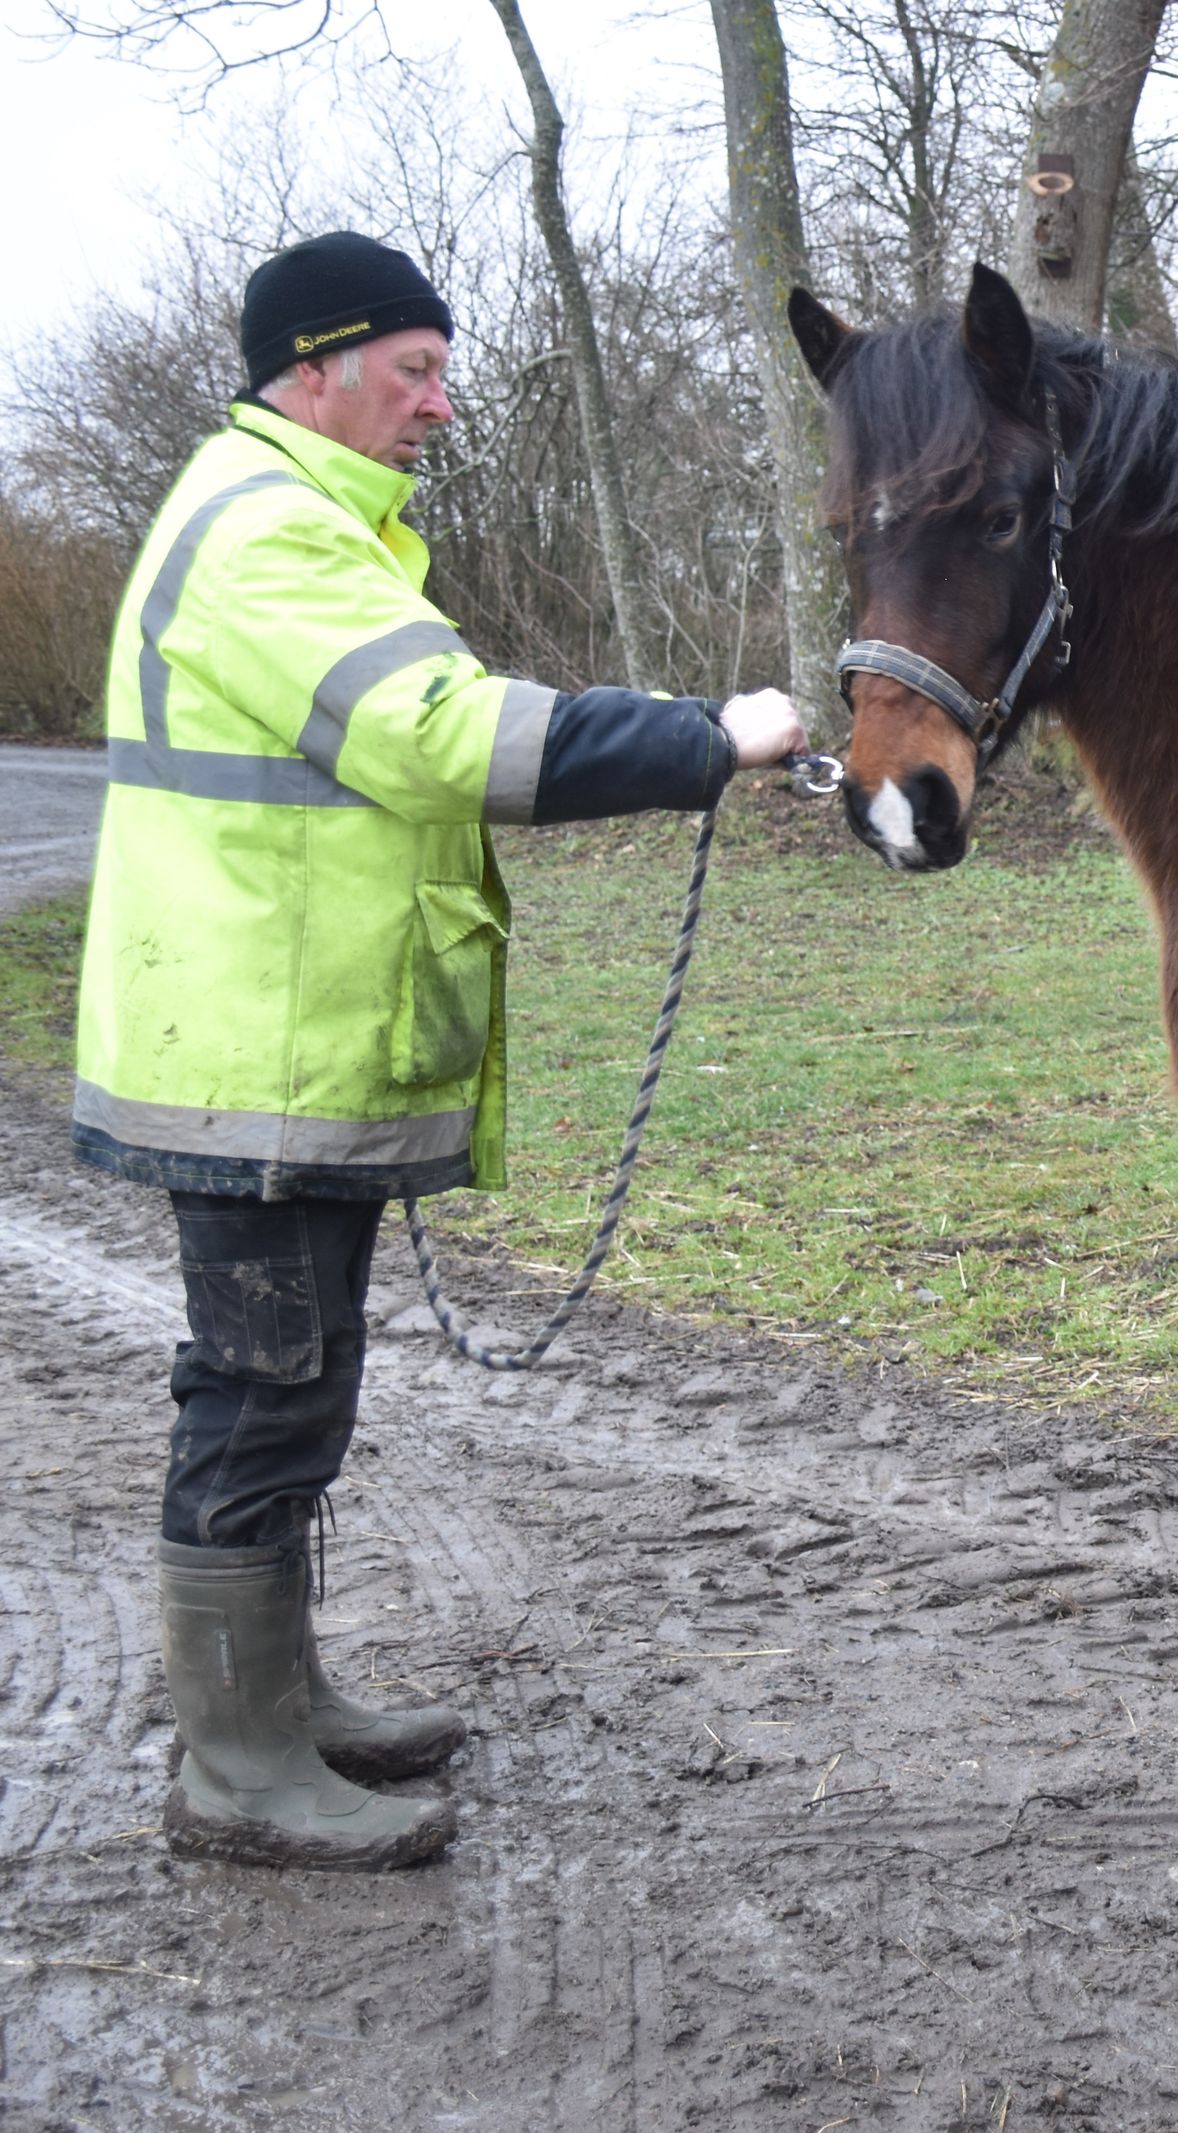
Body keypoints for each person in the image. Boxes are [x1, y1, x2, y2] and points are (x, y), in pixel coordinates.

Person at [71, 230, 808, 1871]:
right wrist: (706, 737)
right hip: (252, 1061)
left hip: (284, 1047)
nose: (441, 404)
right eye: (413, 371)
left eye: (442, 372)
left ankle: (279, 1704)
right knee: (259, 1396)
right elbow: (444, 735)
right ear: (311, 370)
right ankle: (237, 1769)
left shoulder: (304, 519)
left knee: (295, 1386)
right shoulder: (267, 529)